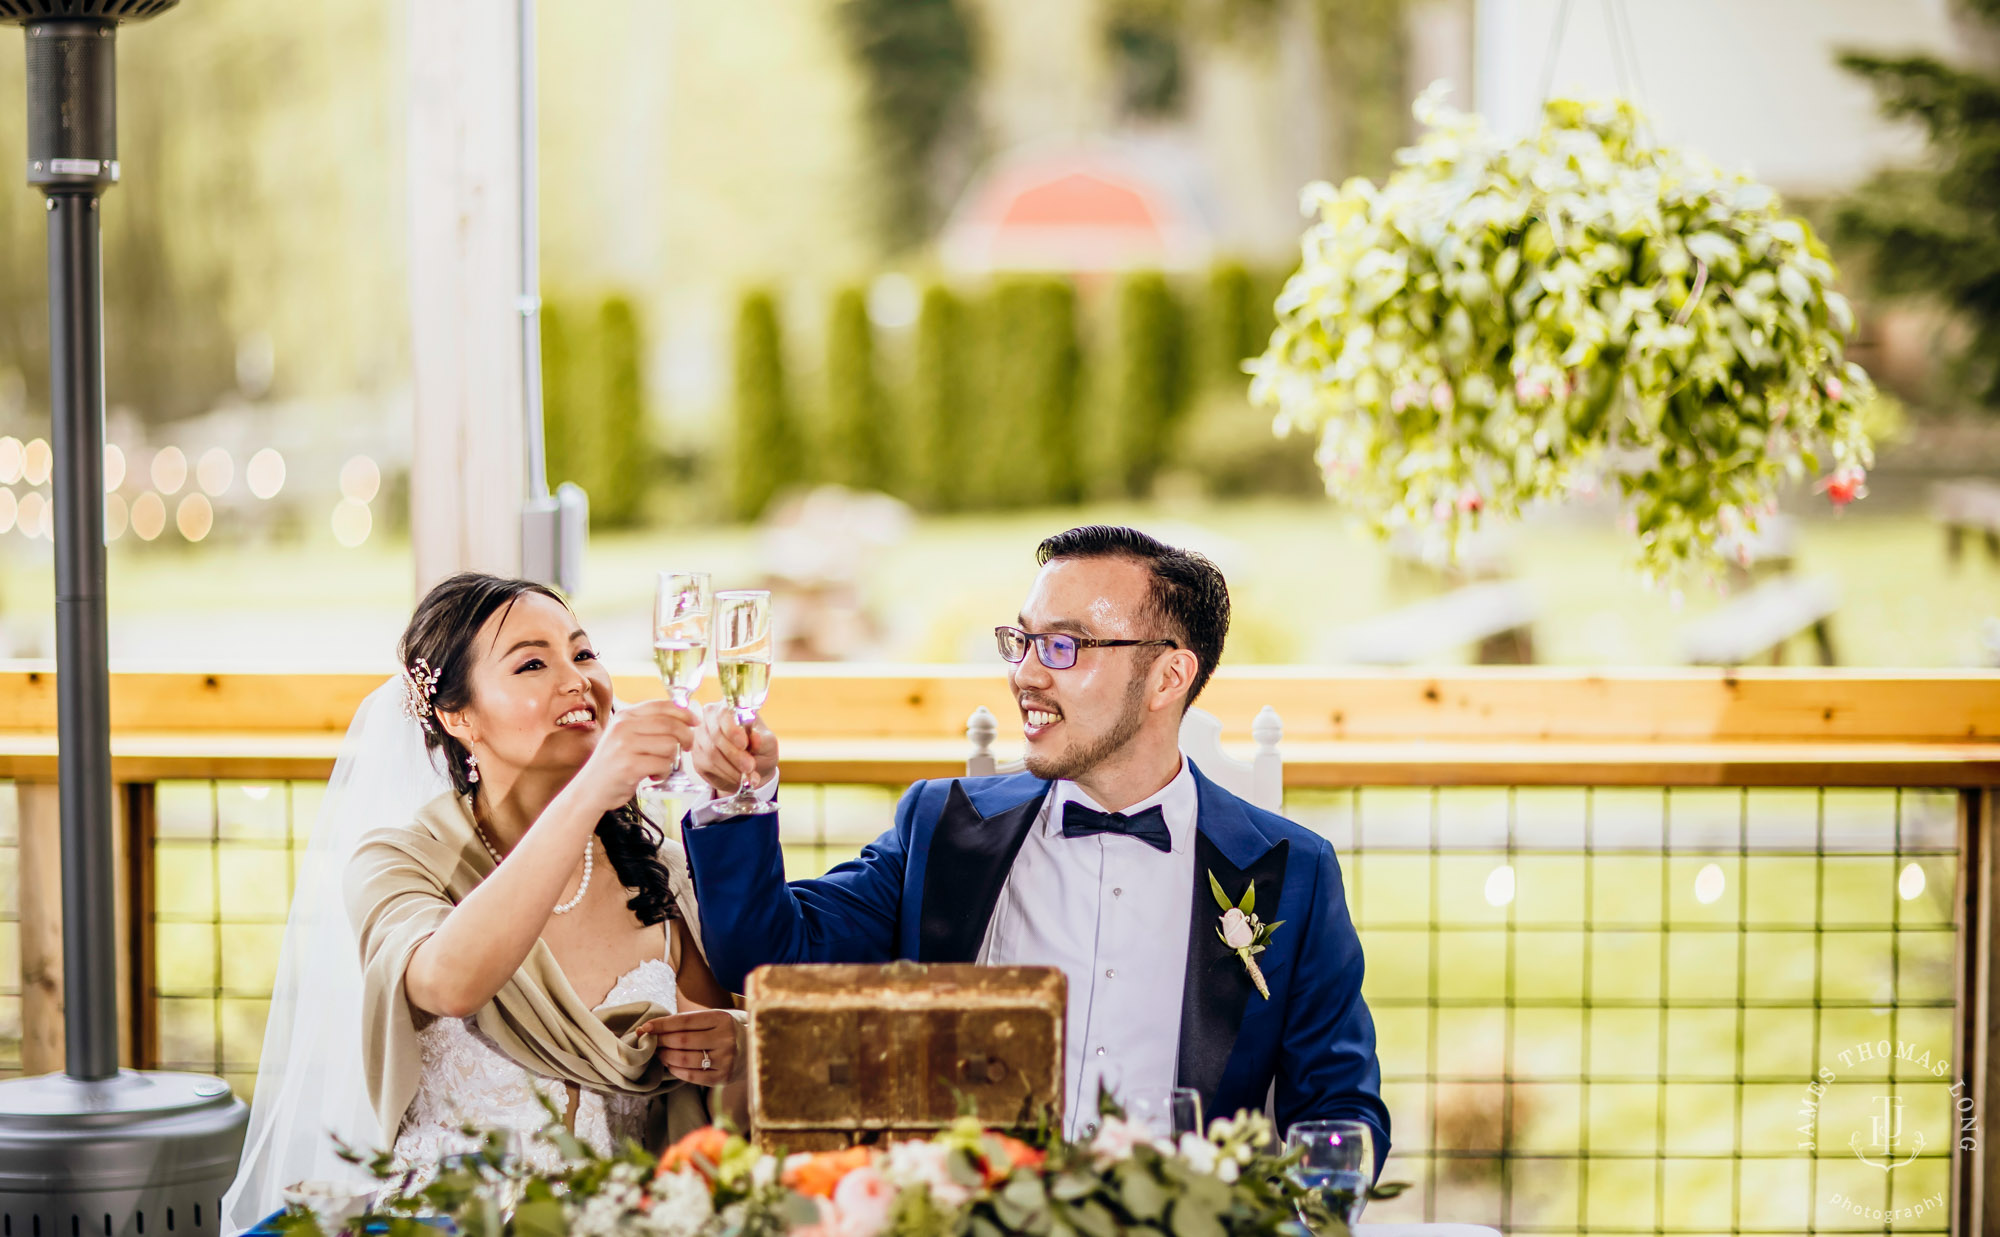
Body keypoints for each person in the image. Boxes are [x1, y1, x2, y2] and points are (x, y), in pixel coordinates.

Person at [684, 525, 1388, 1161]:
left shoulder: (1290, 871)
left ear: (1169, 676)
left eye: (1064, 645)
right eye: (1021, 640)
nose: (1025, 672)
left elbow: (1339, 1108)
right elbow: (769, 953)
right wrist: (741, 797)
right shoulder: (944, 826)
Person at [223, 574, 747, 1232]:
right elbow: (450, 980)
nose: (576, 679)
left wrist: (738, 1047)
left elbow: (725, 1102)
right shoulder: (396, 861)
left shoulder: (660, 874)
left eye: (583, 653)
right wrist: (588, 791)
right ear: (456, 715)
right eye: (533, 662)